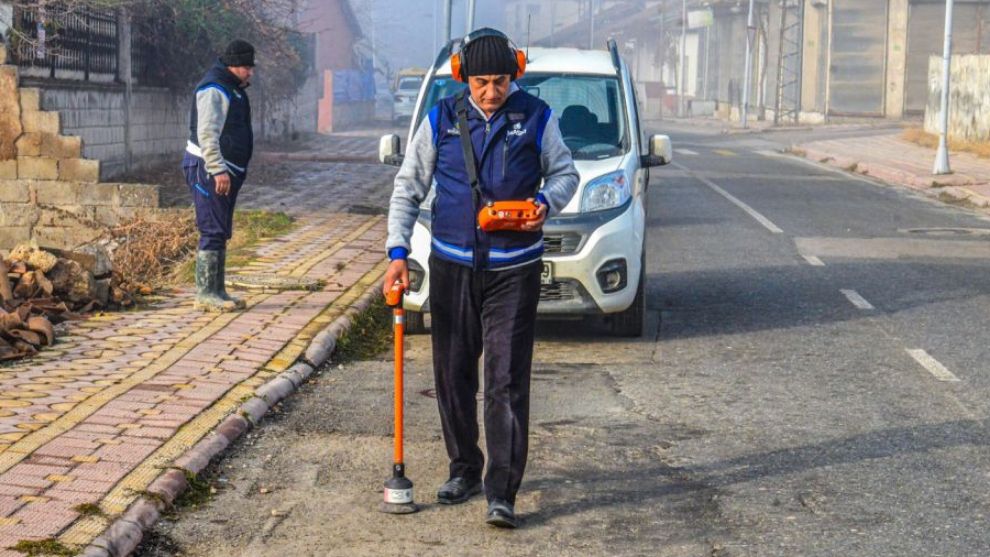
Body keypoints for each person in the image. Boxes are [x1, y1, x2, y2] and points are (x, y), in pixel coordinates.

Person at [383, 28, 579, 528]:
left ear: (514, 74)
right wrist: (398, 251)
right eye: (480, 82)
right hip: (451, 265)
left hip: (514, 270)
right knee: (452, 375)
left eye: (499, 81)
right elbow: (408, 187)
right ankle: (464, 468)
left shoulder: (536, 117)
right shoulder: (441, 118)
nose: (490, 92)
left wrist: (544, 204)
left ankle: (502, 491)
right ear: (462, 78)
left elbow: (565, 175)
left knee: (506, 380)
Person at [183, 39, 256, 312]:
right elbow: (207, 135)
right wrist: (218, 169)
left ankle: (217, 290)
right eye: (246, 67)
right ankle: (204, 293)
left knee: (221, 229)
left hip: (223, 169)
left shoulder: (230, 88)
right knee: (212, 228)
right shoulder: (214, 89)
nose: (250, 72)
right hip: (207, 168)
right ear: (232, 65)